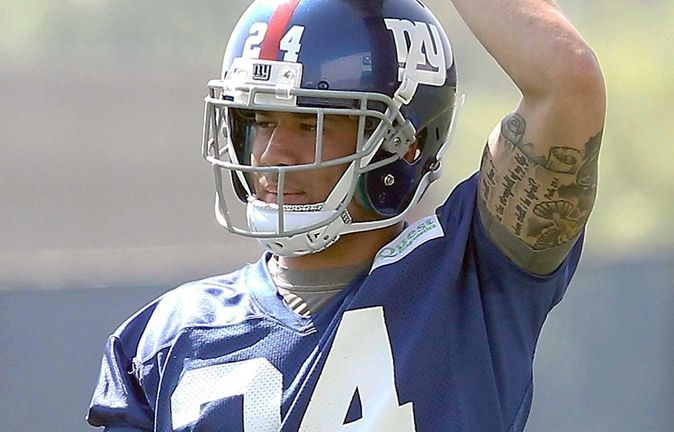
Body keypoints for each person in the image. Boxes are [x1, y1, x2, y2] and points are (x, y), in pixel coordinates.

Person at [87, 0, 605, 430]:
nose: (272, 156)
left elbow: (567, 82)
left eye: (309, 124)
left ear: (405, 141)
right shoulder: (161, 339)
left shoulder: (469, 281)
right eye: (259, 120)